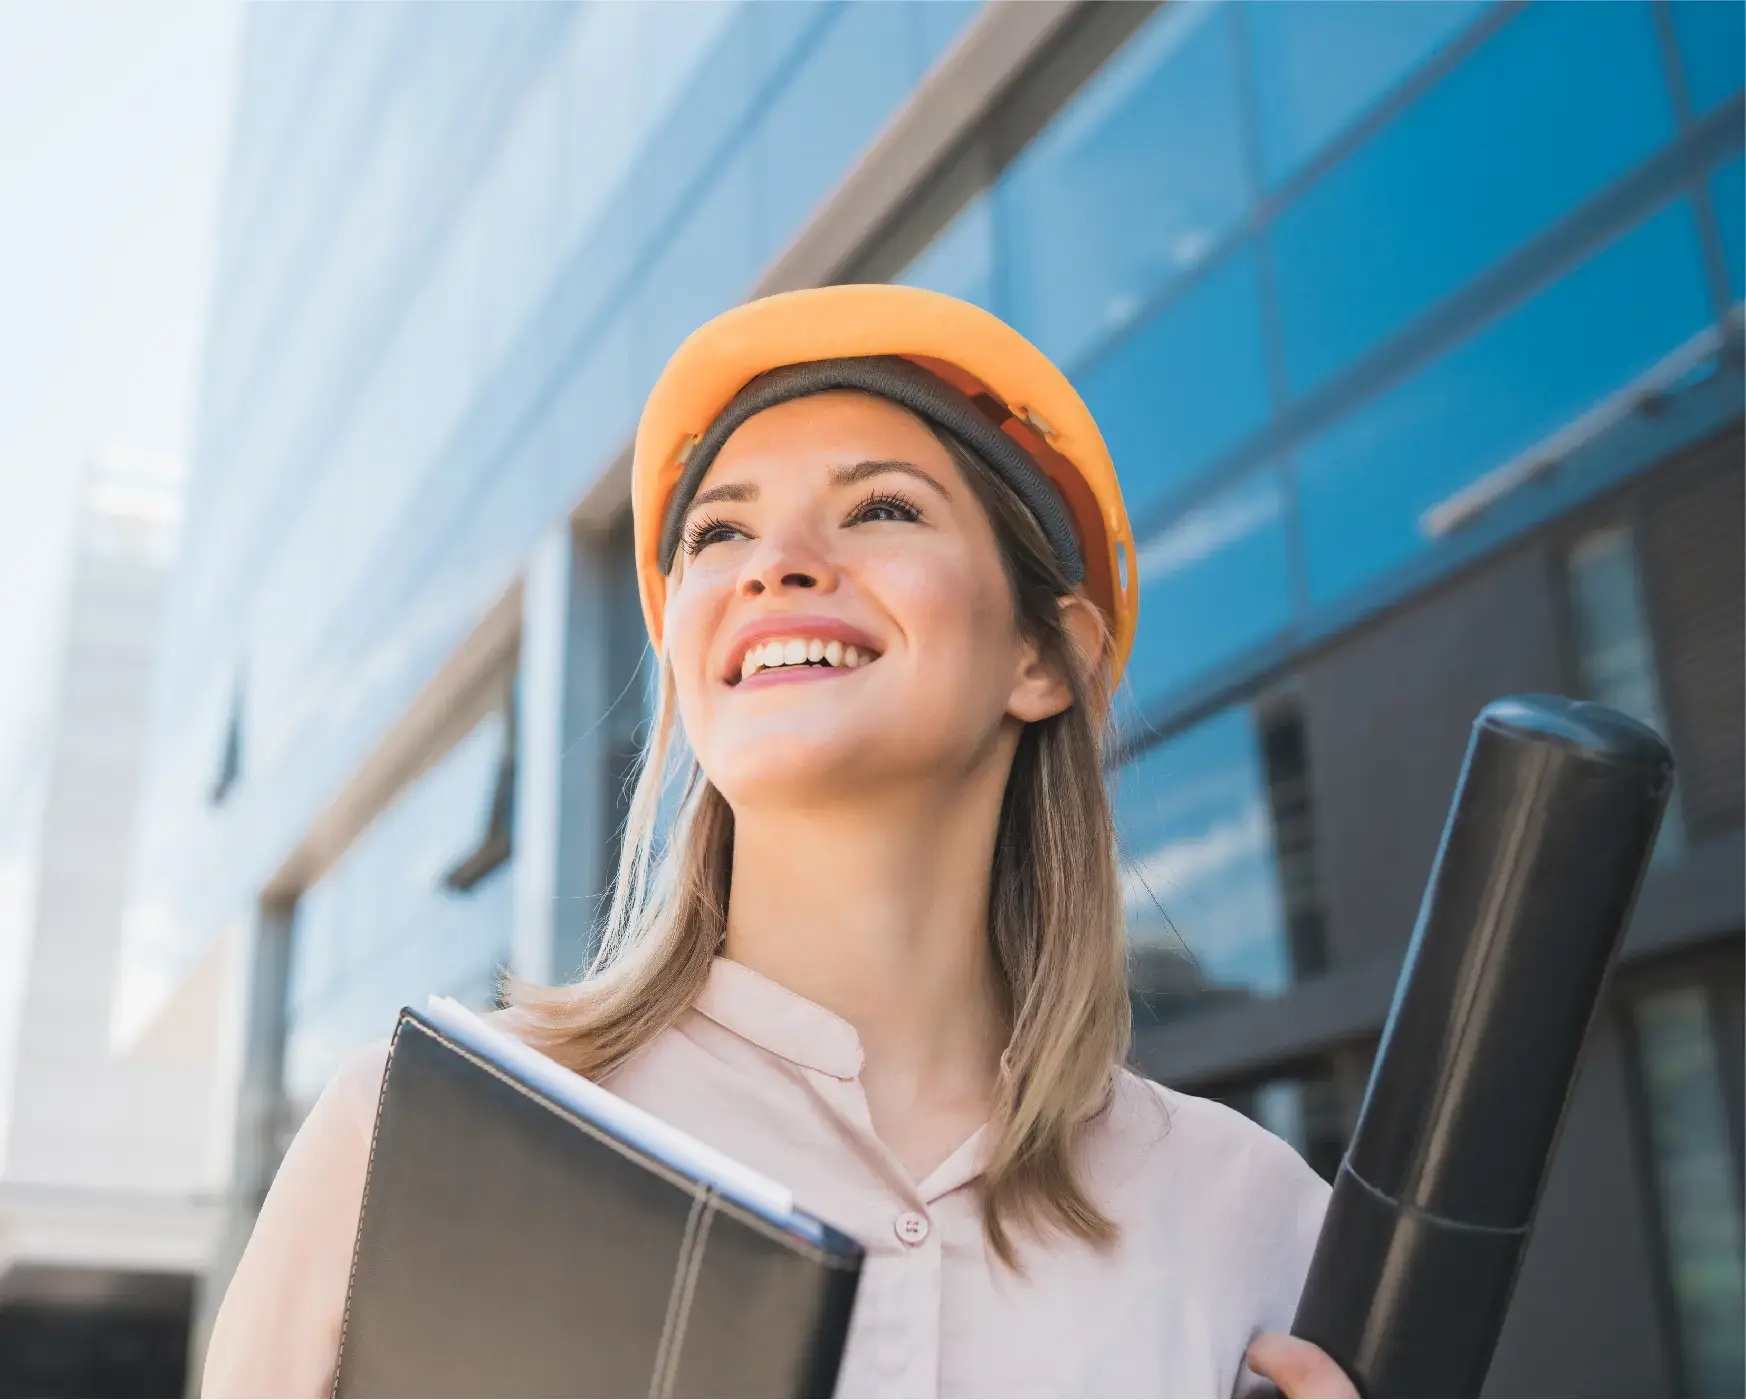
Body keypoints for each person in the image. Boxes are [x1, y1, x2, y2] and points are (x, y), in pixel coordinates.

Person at [201, 286, 1355, 1399]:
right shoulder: (413, 1136)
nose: (775, 562)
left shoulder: (1256, 1222)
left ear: (1045, 659)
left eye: (883, 507)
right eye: (719, 530)